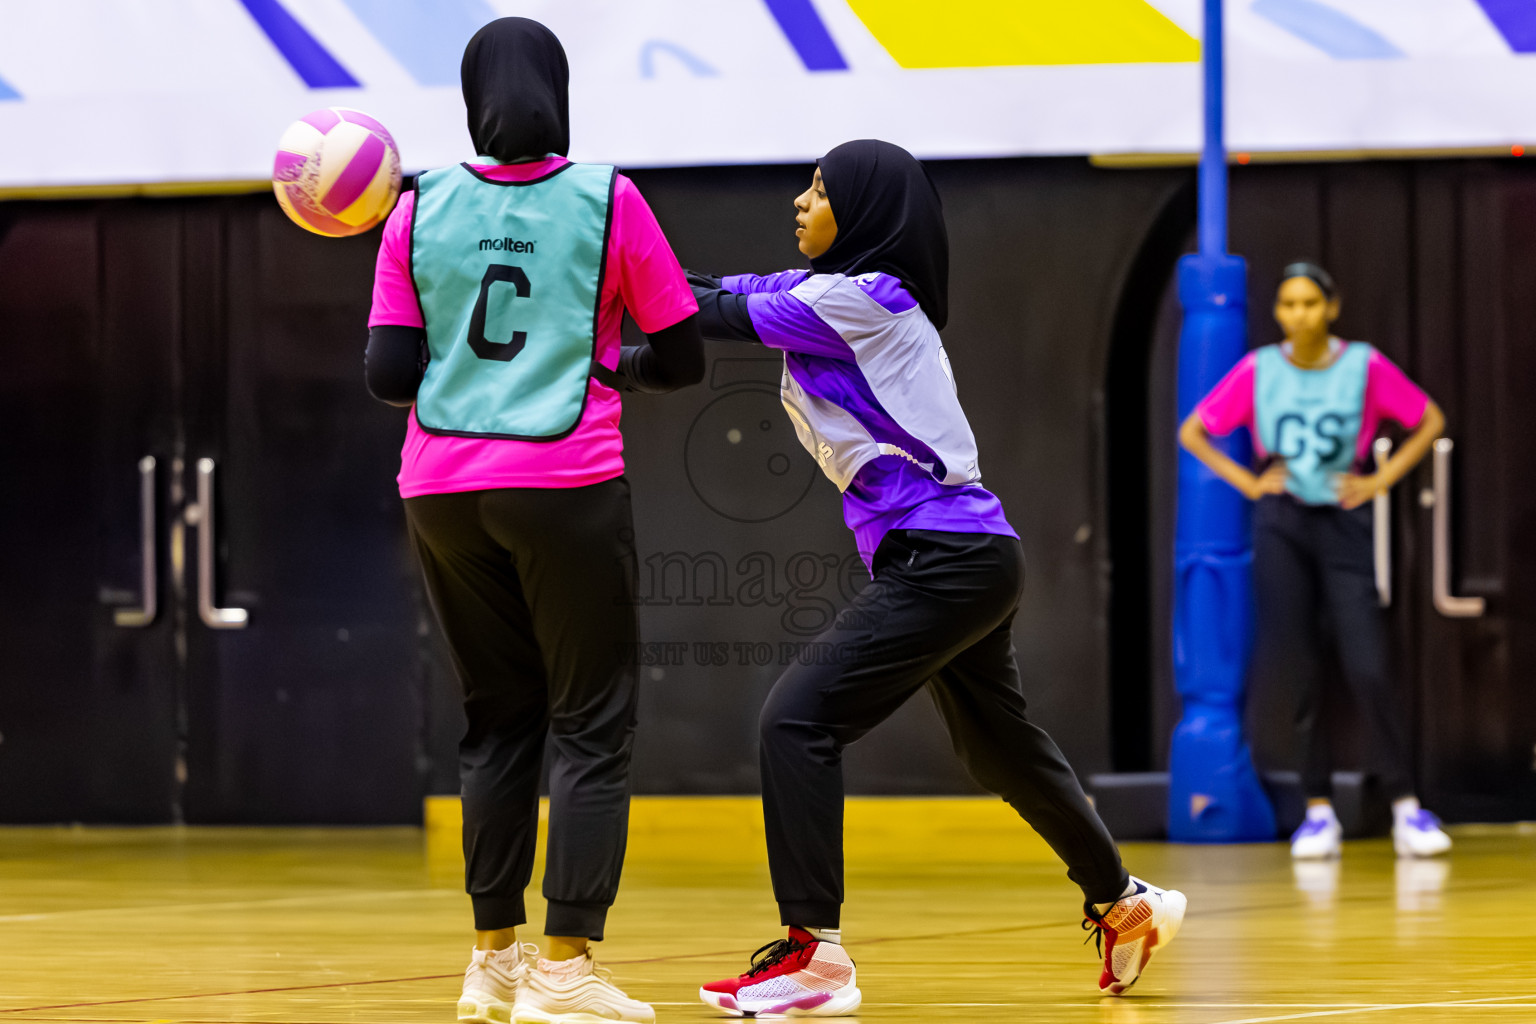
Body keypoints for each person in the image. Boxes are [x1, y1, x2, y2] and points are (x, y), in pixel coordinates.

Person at [686, 140, 1185, 1014]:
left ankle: (816, 957)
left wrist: (597, 260)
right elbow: (718, 290)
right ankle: (1125, 903)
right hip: (967, 556)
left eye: (819, 189)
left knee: (795, 723)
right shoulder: (831, 294)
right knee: (1000, 748)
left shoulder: (862, 300)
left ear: (867, 211)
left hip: (945, 557)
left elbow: (702, 314)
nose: (799, 203)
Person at [363, 18, 703, 1024]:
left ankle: (492, 963)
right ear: (559, 90)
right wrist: (612, 364)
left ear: (472, 98)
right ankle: (567, 969)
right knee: (591, 721)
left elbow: (388, 376)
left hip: (440, 488)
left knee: (495, 717)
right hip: (563, 479)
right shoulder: (609, 198)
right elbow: (680, 355)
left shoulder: (415, 205)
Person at [1179, 262, 1452, 861]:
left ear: (1331, 307)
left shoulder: (1363, 365)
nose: (1297, 314)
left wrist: (1379, 479)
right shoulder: (1259, 369)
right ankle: (1318, 810)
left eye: (1308, 303)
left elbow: (1429, 419)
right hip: (1282, 523)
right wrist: (1249, 484)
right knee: (1298, 668)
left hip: (1344, 517)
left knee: (1367, 663)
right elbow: (1194, 431)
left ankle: (1408, 807)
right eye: (1287, 304)